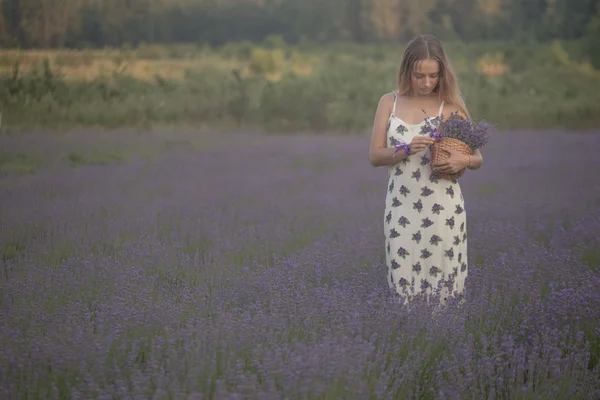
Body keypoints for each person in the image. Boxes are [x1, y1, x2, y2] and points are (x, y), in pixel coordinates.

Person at [368, 34, 483, 307]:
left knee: (445, 287)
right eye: (420, 76)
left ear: (442, 73)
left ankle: (447, 345)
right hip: (401, 209)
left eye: (433, 76)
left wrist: (462, 161)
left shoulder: (451, 107)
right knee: (403, 284)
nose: (427, 82)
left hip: (443, 210)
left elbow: (477, 157)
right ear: (407, 71)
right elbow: (374, 156)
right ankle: (411, 343)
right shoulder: (389, 103)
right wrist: (406, 149)